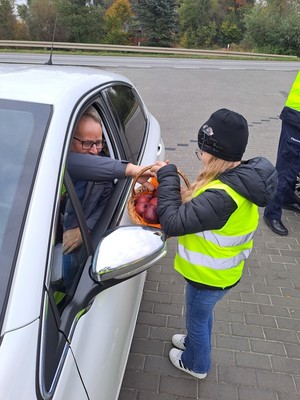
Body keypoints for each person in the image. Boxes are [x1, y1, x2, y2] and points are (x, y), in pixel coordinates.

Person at [150, 108, 277, 379]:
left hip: (208, 276)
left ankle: (196, 364)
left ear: (216, 154)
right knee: (201, 317)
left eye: (202, 152)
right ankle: (195, 342)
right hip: (221, 273)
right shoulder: (236, 179)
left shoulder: (222, 196)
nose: (201, 156)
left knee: (197, 319)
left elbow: (172, 222)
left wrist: (168, 176)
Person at [61, 106, 152, 286]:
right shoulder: (59, 161)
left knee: (70, 278)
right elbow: (71, 163)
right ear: (69, 140)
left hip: (73, 237)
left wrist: (84, 229)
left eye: (99, 142)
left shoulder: (104, 169)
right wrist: (131, 170)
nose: (95, 151)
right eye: (87, 143)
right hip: (53, 226)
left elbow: (105, 202)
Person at [264, 71, 300, 236]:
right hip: (296, 118)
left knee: (296, 165)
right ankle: (272, 212)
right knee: (286, 168)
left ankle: (287, 198)